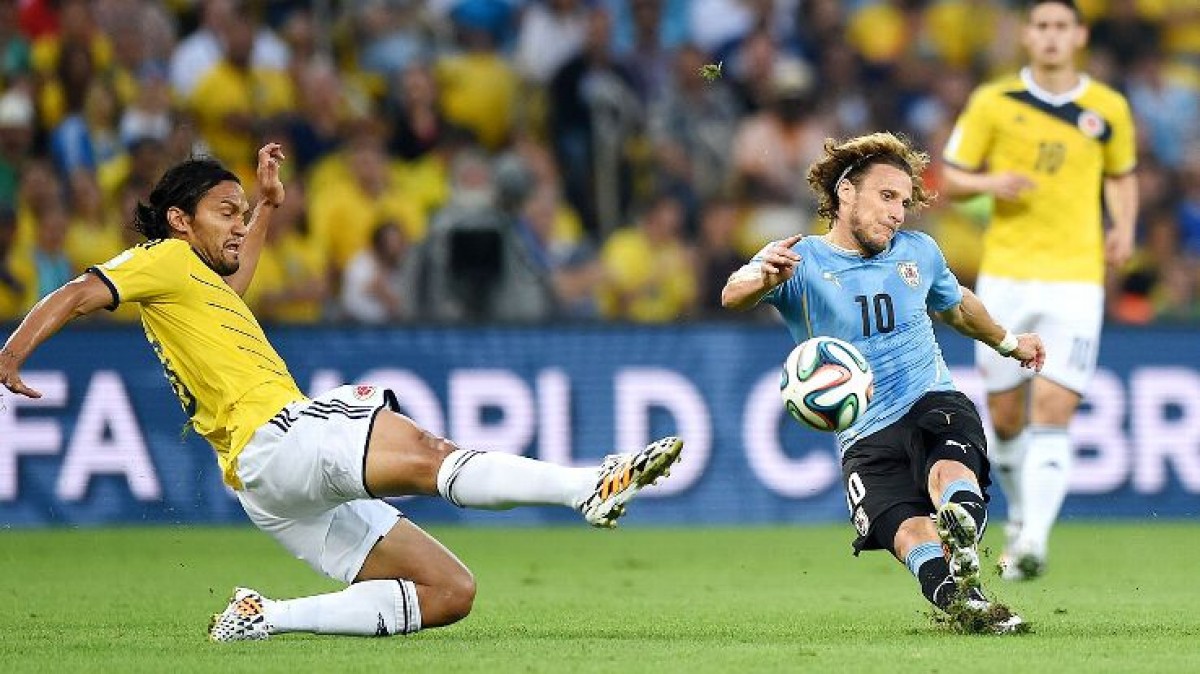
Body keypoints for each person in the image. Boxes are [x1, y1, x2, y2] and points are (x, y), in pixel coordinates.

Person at [0, 144, 684, 641]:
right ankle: (586, 487)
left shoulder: (191, 281)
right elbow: (78, 291)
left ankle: (263, 616)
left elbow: (234, 282)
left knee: (449, 591)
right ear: (179, 220)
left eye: (242, 212)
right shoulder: (162, 258)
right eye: (225, 212)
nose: (238, 224)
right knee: (428, 452)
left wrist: (268, 207)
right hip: (279, 434)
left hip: (263, 484)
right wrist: (10, 352)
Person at [721, 131, 1045, 634]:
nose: (897, 214)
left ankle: (959, 524)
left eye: (904, 203)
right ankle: (969, 602)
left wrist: (1008, 342)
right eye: (887, 197)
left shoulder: (918, 251)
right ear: (846, 191)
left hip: (929, 399)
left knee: (947, 472)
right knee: (909, 534)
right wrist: (763, 278)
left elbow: (958, 307)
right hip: (862, 435)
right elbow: (732, 294)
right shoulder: (798, 259)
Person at [940, 0, 1138, 581]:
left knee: (1053, 410)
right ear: (1027, 36)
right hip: (1006, 275)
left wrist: (1124, 226)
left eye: (1061, 27)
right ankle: (1021, 516)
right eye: (1042, 26)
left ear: (1079, 35)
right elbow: (951, 177)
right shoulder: (993, 101)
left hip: (1077, 278)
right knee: (1004, 418)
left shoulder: (1108, 107)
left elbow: (1121, 175)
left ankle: (1032, 543)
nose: (1052, 36)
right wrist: (991, 181)